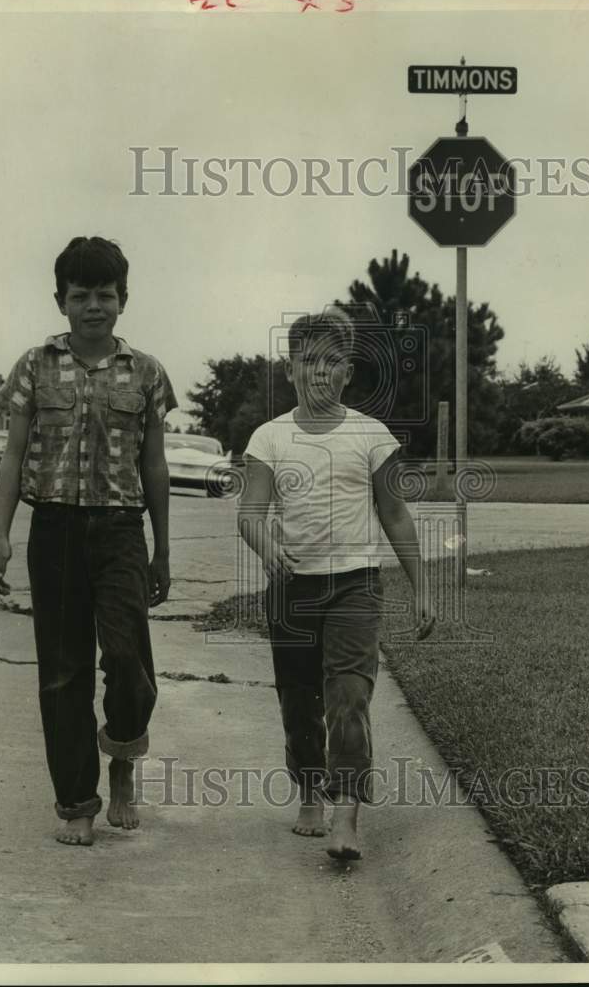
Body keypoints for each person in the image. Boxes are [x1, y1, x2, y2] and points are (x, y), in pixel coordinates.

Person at [0, 236, 177, 847]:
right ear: (60, 301)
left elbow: (155, 466)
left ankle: (121, 753)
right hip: (56, 530)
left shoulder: (146, 372)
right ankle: (77, 801)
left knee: (128, 661)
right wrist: (1, 535)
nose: (93, 305)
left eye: (105, 294)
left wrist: (162, 548)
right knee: (64, 673)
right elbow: (14, 455)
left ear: (123, 299)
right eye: (80, 295)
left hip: (121, 530)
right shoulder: (33, 366)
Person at [237, 308, 434, 861]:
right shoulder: (269, 438)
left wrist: (421, 587)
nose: (319, 372)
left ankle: (346, 812)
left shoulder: (371, 436)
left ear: (348, 371)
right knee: (299, 699)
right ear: (290, 369)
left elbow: (394, 514)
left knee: (348, 695)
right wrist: (266, 546)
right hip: (293, 588)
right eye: (307, 361)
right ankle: (309, 792)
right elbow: (250, 512)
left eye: (331, 362)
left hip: (355, 586)